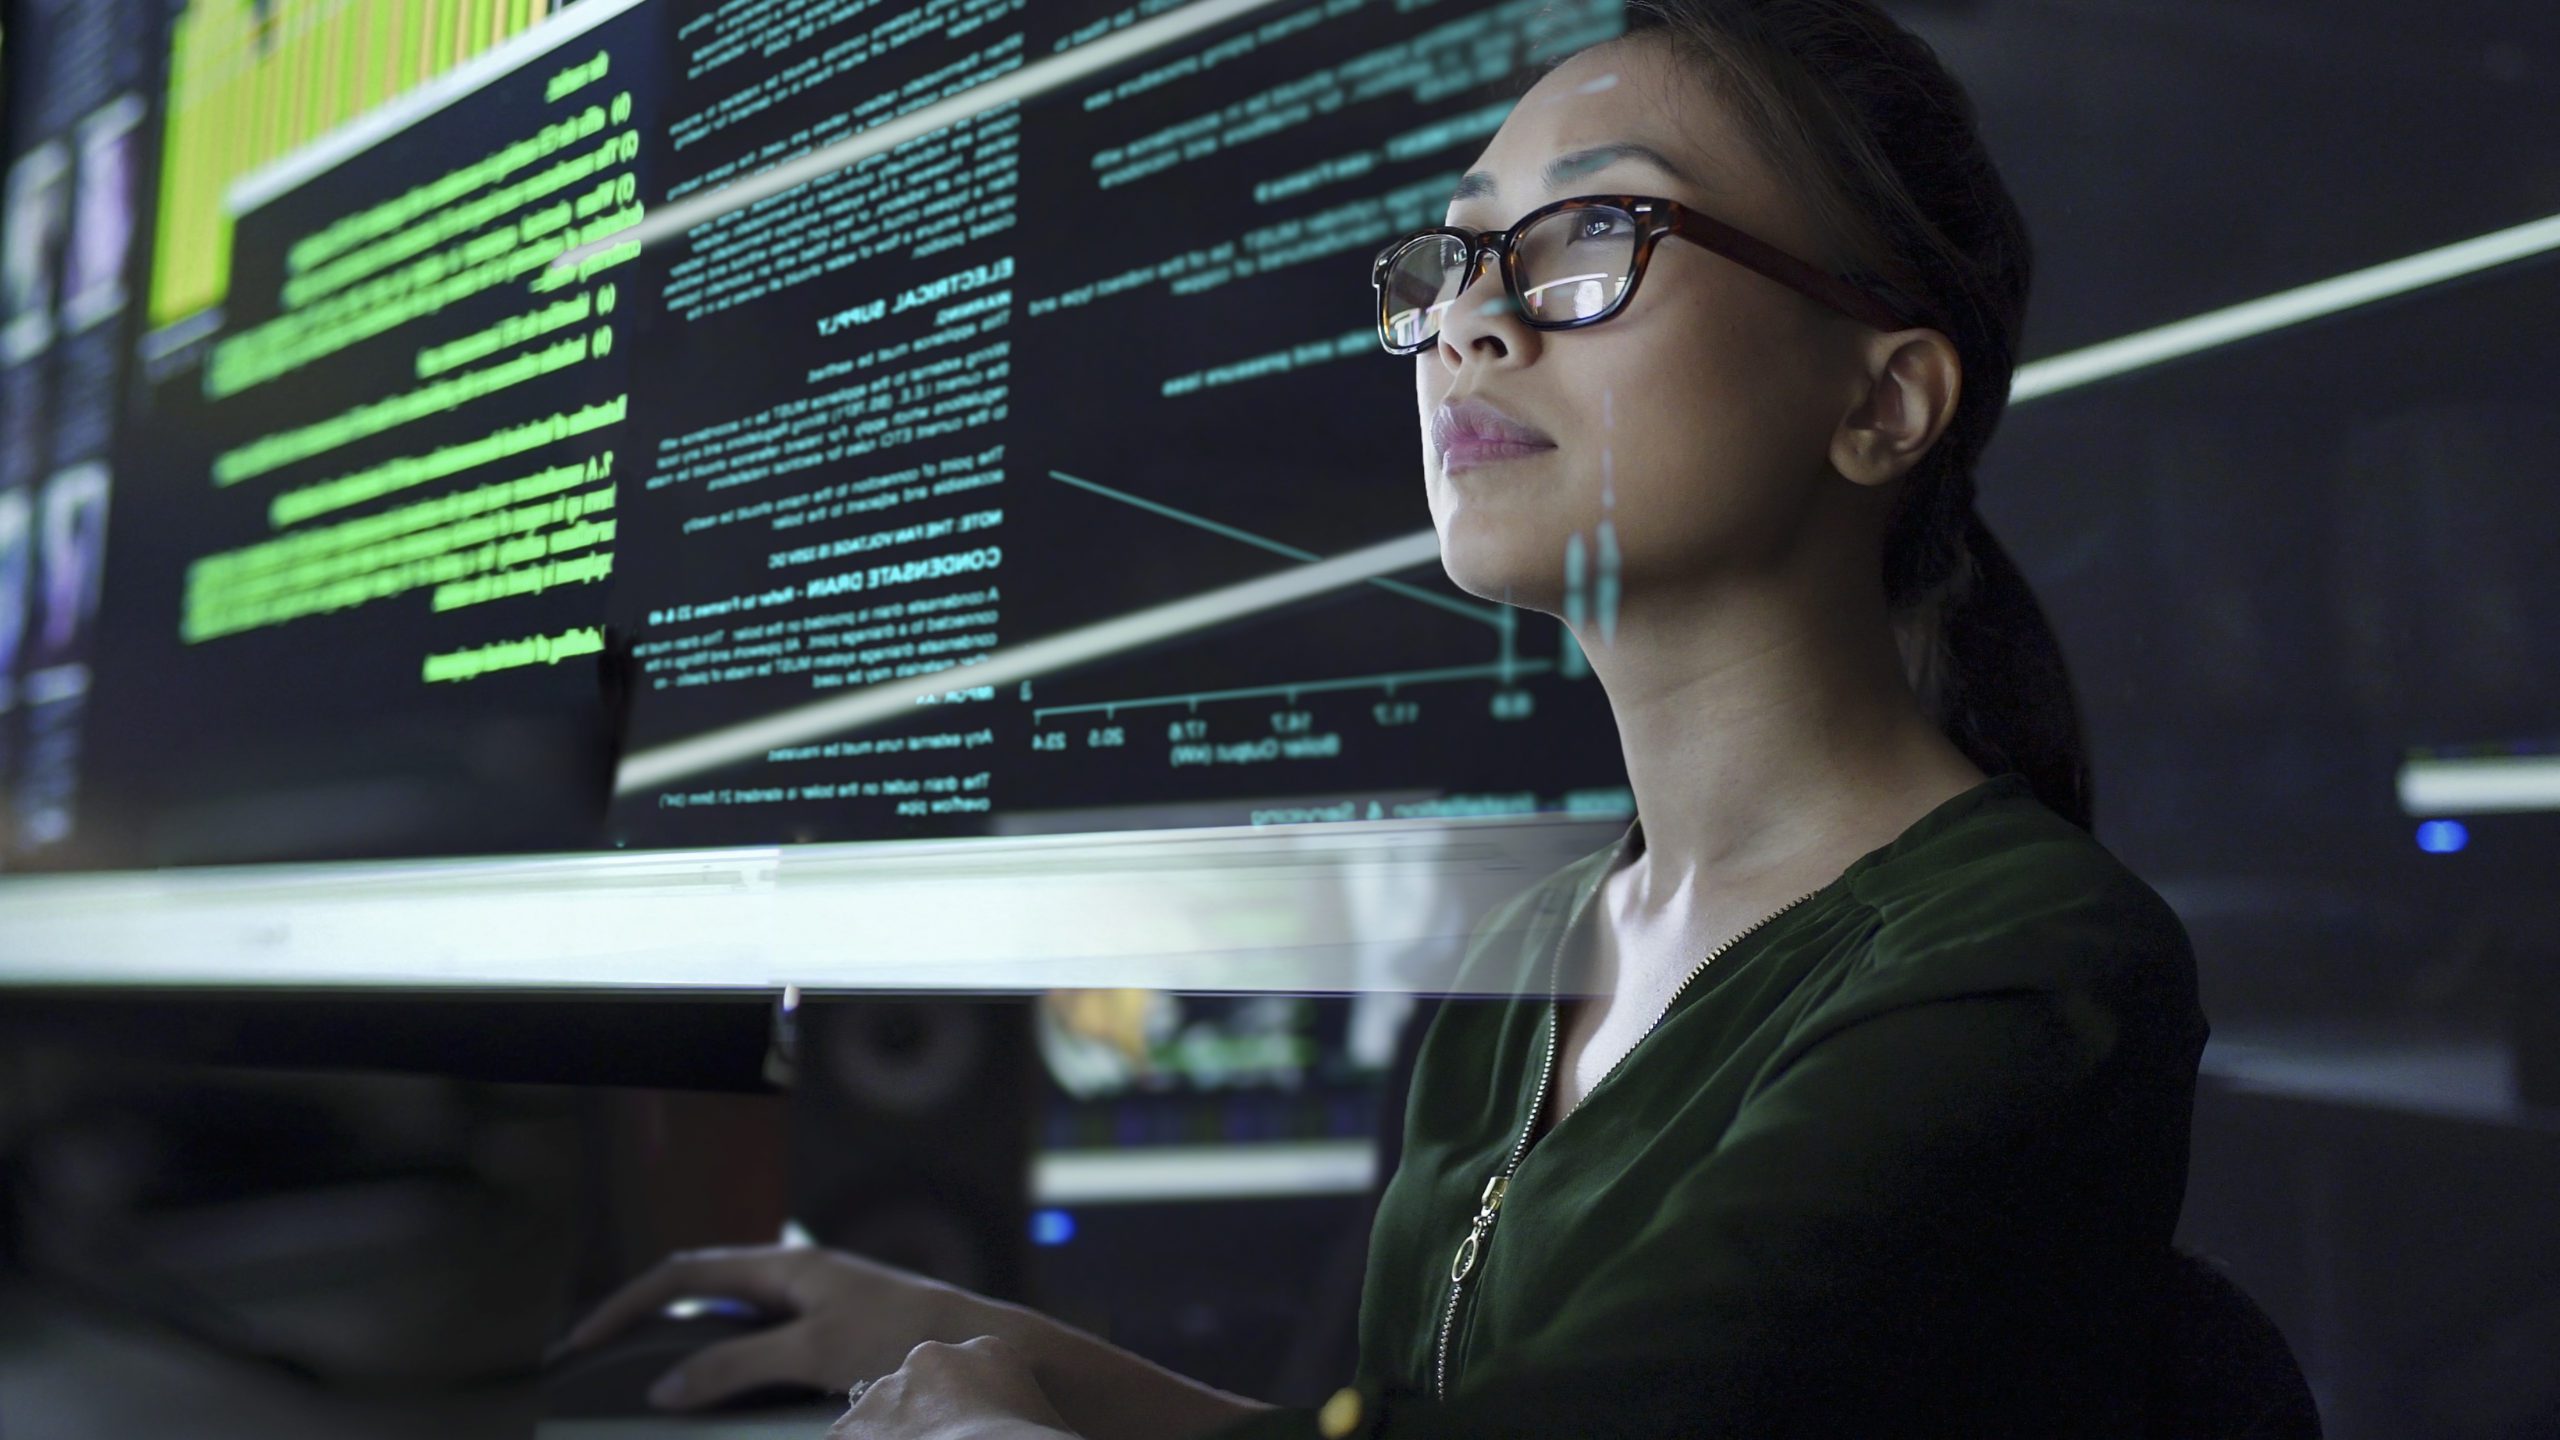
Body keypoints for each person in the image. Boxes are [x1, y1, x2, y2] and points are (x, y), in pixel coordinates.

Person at [554, 2, 2209, 1436]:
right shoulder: (1547, 944)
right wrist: (984, 1355)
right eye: (1453, 257)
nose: (1468, 326)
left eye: (1591, 241)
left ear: (1882, 401)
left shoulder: (2027, 961)